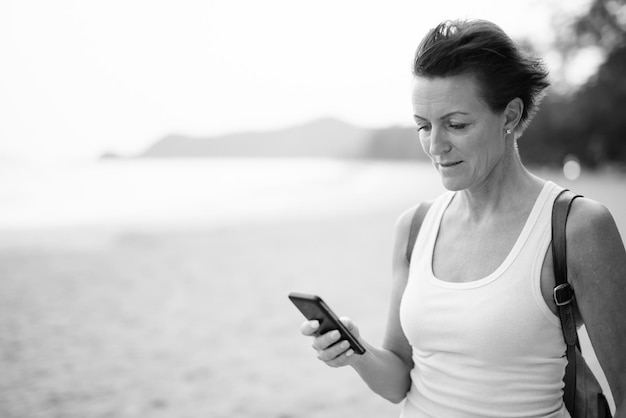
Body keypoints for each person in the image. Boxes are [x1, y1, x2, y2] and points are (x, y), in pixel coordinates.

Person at [299, 19, 626, 417]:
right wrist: (356, 351)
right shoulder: (415, 227)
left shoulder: (577, 227)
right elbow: (400, 379)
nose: (436, 146)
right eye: (423, 126)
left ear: (509, 116)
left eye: (456, 125)